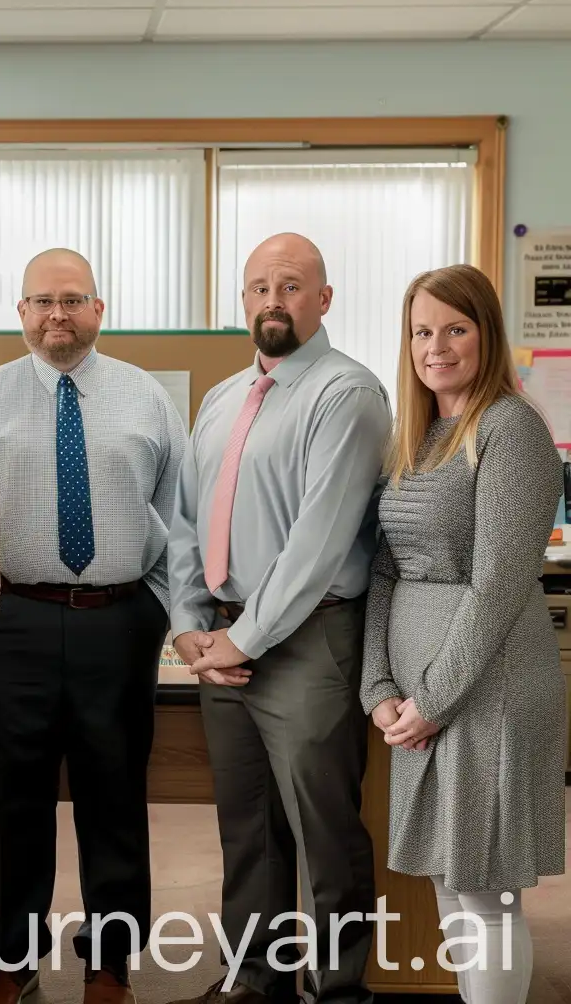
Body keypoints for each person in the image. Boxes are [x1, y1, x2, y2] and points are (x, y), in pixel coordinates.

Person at [0, 249, 187, 1004]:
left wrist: (163, 612)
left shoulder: (147, 398)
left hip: (117, 623)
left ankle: (110, 960)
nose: (59, 314)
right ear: (20, 313)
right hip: (8, 619)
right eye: (43, 301)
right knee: (10, 798)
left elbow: (180, 522)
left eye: (74, 299)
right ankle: (11, 960)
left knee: (113, 794)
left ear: (100, 309)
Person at [166, 234, 391, 1004]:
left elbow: (319, 544)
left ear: (323, 300)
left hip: (309, 641)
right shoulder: (223, 399)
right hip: (223, 641)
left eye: (290, 286)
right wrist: (190, 624)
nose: (272, 300)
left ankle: (337, 989)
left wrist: (240, 637)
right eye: (258, 286)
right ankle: (255, 979)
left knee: (323, 828)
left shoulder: (348, 394)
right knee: (249, 828)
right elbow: (188, 524)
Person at [362, 265, 565, 1004]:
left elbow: (500, 586)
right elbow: (384, 572)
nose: (435, 346)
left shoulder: (510, 427)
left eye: (455, 329)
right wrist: (378, 687)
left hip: (491, 687)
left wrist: (435, 698)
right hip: (425, 695)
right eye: (421, 331)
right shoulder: (417, 435)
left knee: (486, 889)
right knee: (453, 878)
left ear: (486, 334)